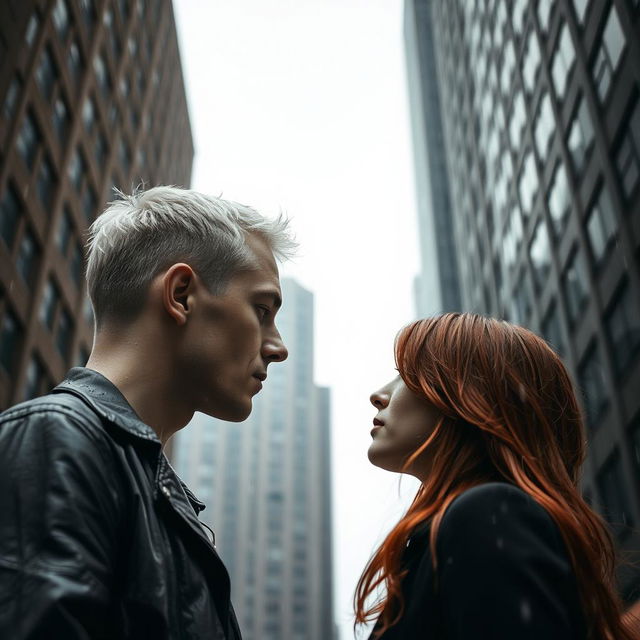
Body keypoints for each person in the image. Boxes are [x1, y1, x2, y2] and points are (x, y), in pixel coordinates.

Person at [0, 186, 296, 639]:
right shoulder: (57, 440)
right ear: (181, 295)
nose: (278, 348)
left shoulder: (151, 486)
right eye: (261, 310)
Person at [355, 313, 637, 640]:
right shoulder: (452, 532)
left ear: (473, 397)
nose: (378, 394)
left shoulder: (488, 513)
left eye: (406, 374)